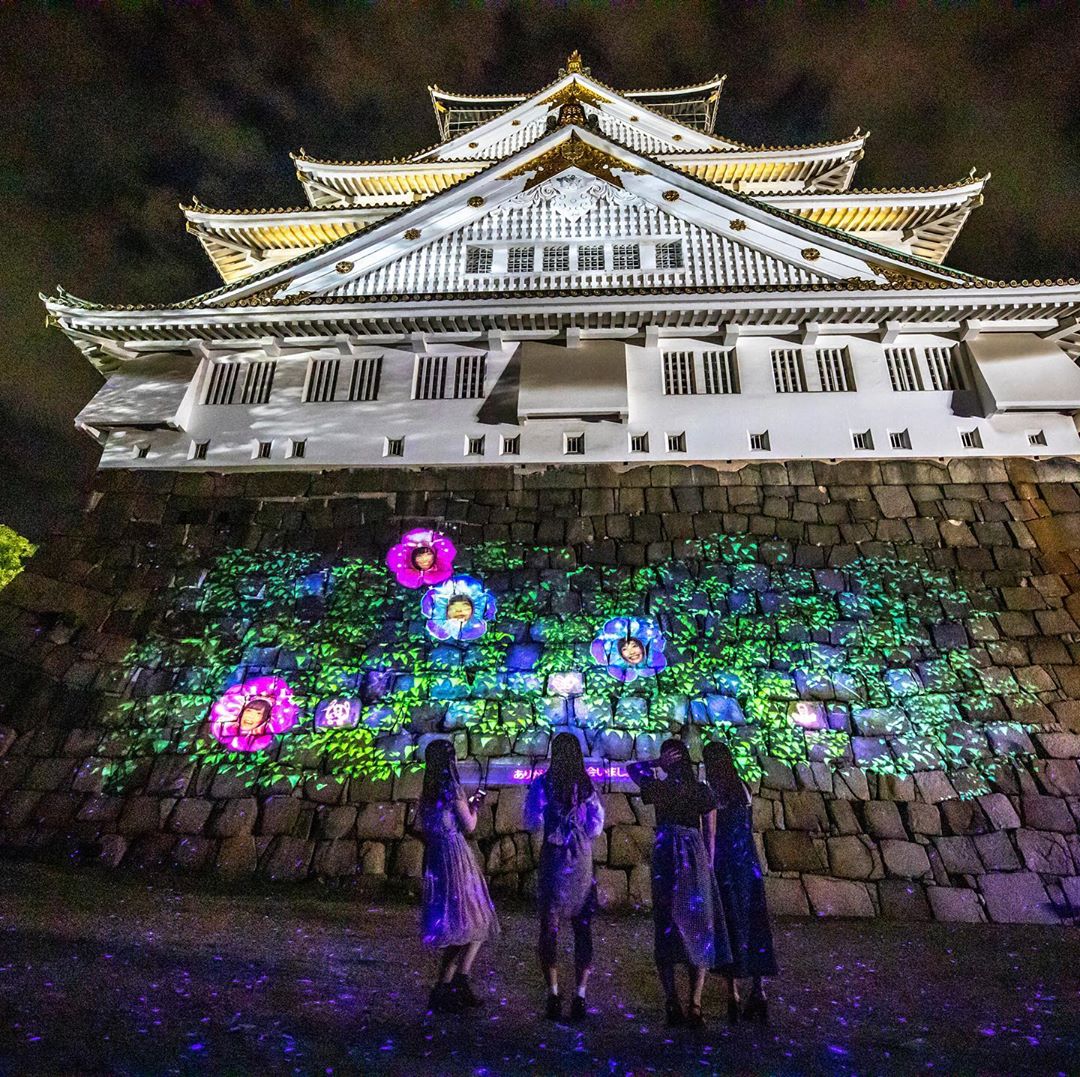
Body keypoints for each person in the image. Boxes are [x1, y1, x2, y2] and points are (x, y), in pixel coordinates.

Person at [628, 739, 730, 1029]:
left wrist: (655, 765)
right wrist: (707, 866)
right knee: (699, 926)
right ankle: (694, 1004)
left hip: (667, 856)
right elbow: (710, 833)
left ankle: (672, 1000)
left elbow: (632, 769)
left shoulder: (661, 787)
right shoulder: (701, 790)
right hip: (693, 856)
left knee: (667, 924)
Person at [523, 732, 605, 1022]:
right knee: (583, 928)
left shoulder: (543, 784)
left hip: (554, 858)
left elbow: (531, 821)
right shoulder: (587, 787)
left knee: (550, 927)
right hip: (581, 858)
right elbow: (596, 827)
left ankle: (553, 993)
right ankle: (580, 994)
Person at [416, 738, 499, 1014]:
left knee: (460, 919)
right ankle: (450, 984)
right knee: (472, 918)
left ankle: (454, 982)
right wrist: (475, 804)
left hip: (436, 859)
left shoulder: (427, 792)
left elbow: (425, 826)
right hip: (455, 856)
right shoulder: (453, 789)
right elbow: (470, 825)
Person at [703, 741, 778, 1024]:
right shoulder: (744, 787)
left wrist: (709, 867)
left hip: (726, 866)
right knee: (755, 923)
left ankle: (733, 995)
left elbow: (711, 835)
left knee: (728, 926)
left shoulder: (714, 793)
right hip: (748, 863)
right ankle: (759, 991)